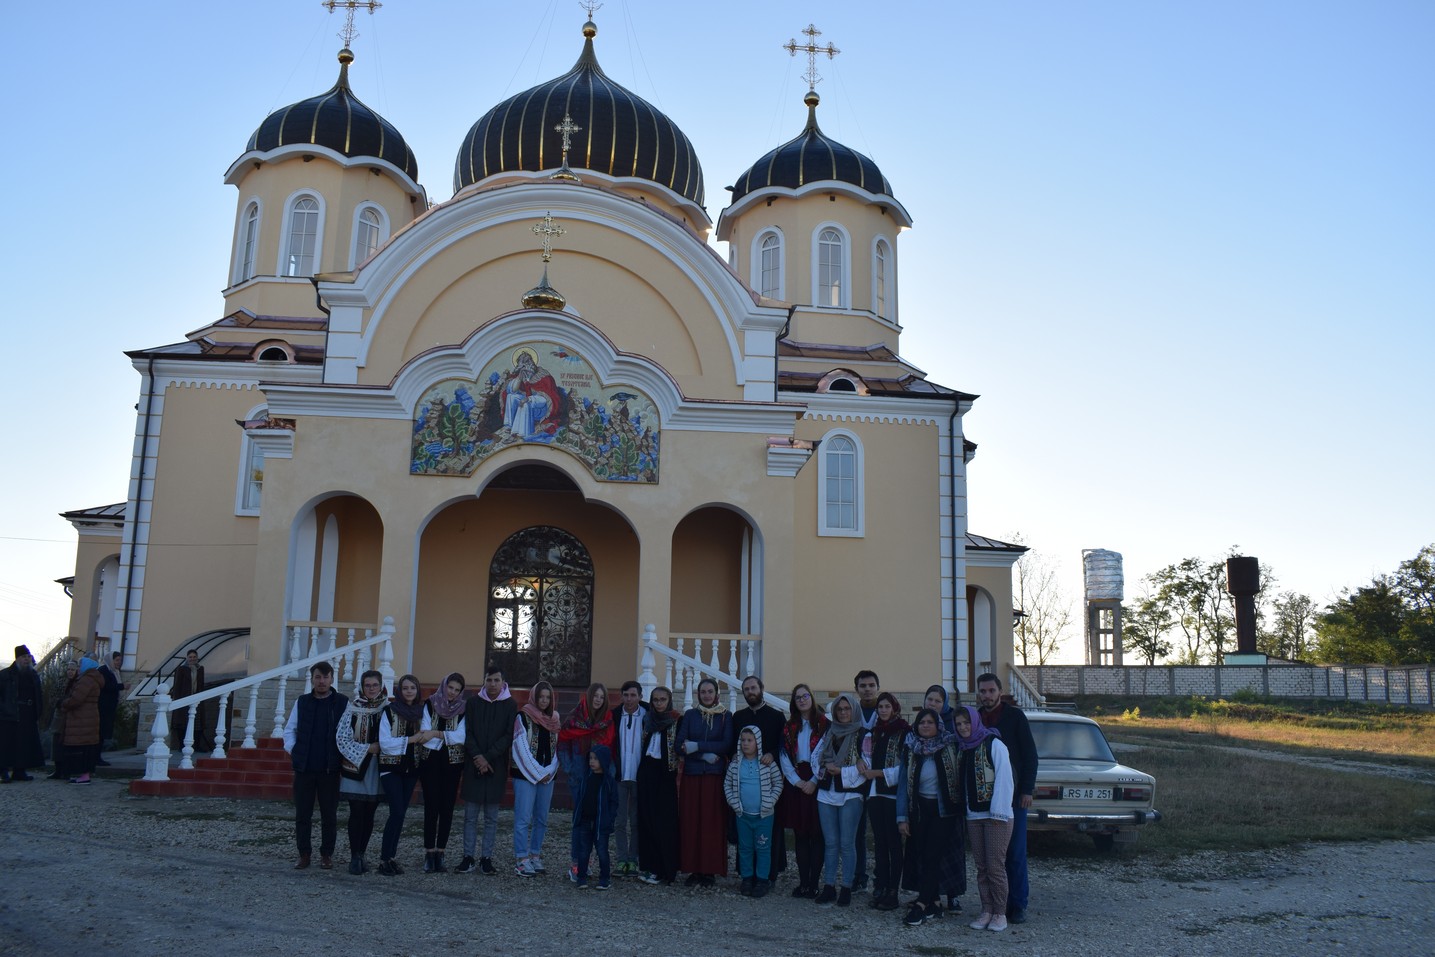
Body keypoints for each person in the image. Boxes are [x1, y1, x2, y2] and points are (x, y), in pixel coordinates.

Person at [976, 672, 1038, 924]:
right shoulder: (975, 719)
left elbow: (1030, 756)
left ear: (999, 692)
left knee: (1014, 853)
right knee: (990, 857)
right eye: (983, 691)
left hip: (1012, 798)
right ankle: (994, 905)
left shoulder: (1014, 717)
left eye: (991, 691)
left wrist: (1027, 790)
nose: (987, 695)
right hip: (983, 798)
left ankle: (1018, 904)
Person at [896, 707, 962, 926]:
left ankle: (922, 904)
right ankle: (934, 902)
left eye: (930, 722)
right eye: (922, 722)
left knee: (933, 855)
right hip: (919, 809)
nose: (925, 725)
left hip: (944, 810)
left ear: (938, 725)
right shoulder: (910, 747)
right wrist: (902, 816)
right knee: (922, 855)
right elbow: (903, 783)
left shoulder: (950, 745)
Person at [283, 660, 348, 869]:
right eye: (318, 677)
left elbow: (347, 732)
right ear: (312, 679)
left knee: (329, 814)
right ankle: (304, 854)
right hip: (305, 768)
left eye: (326, 677)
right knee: (303, 814)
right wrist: (294, 750)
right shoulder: (302, 702)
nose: (322, 681)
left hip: (330, 769)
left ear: (332, 679)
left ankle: (326, 854)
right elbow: (289, 730)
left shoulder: (342, 703)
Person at [955, 704, 1014, 932]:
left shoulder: (994, 744)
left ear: (976, 721)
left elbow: (1004, 779)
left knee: (995, 866)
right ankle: (986, 910)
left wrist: (998, 812)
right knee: (981, 867)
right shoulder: (963, 748)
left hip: (996, 815)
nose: (963, 727)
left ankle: (1000, 913)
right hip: (974, 815)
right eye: (959, 724)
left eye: (966, 722)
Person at [675, 677, 734, 885]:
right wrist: (703, 755)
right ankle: (693, 869)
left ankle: (709, 870)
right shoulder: (690, 715)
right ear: (698, 694)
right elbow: (679, 745)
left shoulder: (726, 716)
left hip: (714, 777)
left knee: (712, 823)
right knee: (691, 822)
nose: (707, 695)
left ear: (716, 694)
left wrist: (697, 746)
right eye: (703, 692)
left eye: (710, 691)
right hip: (692, 776)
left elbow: (726, 744)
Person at [457, 665, 515, 876]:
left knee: (491, 818)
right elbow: (467, 732)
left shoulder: (510, 704)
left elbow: (508, 736)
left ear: (503, 682)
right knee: (470, 817)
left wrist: (487, 757)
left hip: (495, 767)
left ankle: (486, 858)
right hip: (474, 765)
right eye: (489, 680)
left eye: (496, 680)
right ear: (484, 681)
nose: (492, 684)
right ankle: (468, 857)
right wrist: (478, 757)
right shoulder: (473, 703)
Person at [812, 691, 868, 906]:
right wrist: (826, 768)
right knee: (831, 843)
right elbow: (816, 757)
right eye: (839, 709)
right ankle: (828, 886)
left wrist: (842, 771)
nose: (843, 712)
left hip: (851, 793)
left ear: (854, 710)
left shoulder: (864, 735)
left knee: (847, 843)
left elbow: (866, 765)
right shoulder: (829, 732)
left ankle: (846, 886)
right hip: (827, 792)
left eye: (847, 709)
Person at [733, 674, 787, 883]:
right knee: (745, 838)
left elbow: (783, 745)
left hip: (767, 780)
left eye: (753, 688)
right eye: (746, 689)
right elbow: (734, 746)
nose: (750, 692)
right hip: (745, 782)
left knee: (768, 833)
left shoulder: (776, 716)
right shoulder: (738, 717)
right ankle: (746, 875)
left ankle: (768, 875)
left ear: (761, 688)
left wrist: (772, 754)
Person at [376, 674, 431, 876]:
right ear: (399, 691)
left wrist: (420, 738)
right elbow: (385, 743)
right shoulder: (389, 712)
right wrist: (412, 739)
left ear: (417, 691)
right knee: (397, 811)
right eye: (405, 688)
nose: (409, 691)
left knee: (400, 814)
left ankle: (391, 857)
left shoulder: (422, 711)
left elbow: (426, 735)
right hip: (391, 768)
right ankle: (384, 859)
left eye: (412, 688)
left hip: (411, 769)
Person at [557, 682, 613, 881]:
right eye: (595, 696)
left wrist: (607, 775)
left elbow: (608, 750)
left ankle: (588, 863)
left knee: (596, 820)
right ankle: (576, 864)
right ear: (589, 697)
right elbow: (563, 742)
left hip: (598, 779)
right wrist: (571, 769)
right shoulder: (574, 718)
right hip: (579, 777)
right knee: (580, 820)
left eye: (601, 696)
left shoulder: (607, 719)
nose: (598, 700)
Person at [859, 691, 909, 910]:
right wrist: (862, 763)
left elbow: (905, 768)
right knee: (880, 843)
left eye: (887, 706)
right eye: (880, 707)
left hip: (893, 795)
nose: (883, 710)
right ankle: (881, 885)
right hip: (876, 795)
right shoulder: (874, 733)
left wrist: (878, 773)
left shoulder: (905, 733)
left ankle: (893, 891)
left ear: (895, 708)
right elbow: (866, 758)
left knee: (894, 844)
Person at [777, 683, 828, 899]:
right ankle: (803, 882)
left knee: (817, 835)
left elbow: (829, 754)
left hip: (819, 782)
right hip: (797, 783)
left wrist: (815, 781)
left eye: (805, 696)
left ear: (812, 698)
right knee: (800, 834)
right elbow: (784, 756)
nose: (802, 700)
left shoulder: (825, 725)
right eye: (798, 697)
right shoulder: (789, 727)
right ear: (794, 702)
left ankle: (815, 883)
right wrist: (798, 782)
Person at [337, 670, 387, 874]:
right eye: (368, 685)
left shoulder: (388, 709)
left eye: (375, 685)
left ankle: (363, 853)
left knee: (369, 813)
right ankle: (354, 856)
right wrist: (367, 748)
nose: (371, 689)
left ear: (381, 686)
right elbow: (342, 738)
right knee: (356, 811)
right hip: (355, 765)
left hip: (377, 768)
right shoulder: (352, 708)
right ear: (362, 687)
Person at [724, 726, 783, 898]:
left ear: (758, 742)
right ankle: (747, 878)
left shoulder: (767, 763)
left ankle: (762, 879)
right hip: (743, 815)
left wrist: (770, 801)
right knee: (745, 848)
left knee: (763, 848)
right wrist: (734, 803)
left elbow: (778, 783)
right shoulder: (735, 765)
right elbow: (727, 784)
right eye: (743, 740)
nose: (746, 744)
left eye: (750, 740)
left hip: (764, 816)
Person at [922, 683, 966, 910]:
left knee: (952, 850)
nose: (933, 704)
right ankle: (931, 893)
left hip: (950, 801)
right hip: (926, 801)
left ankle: (953, 895)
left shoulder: (952, 729)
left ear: (945, 704)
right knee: (929, 849)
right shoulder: (920, 726)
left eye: (938, 701)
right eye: (930, 699)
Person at [511, 680, 561, 877]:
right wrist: (538, 773)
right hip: (525, 775)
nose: (544, 700)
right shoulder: (522, 717)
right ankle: (521, 859)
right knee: (523, 818)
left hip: (548, 776)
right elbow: (520, 748)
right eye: (541, 696)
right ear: (534, 697)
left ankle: (535, 855)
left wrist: (549, 771)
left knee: (542, 818)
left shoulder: (554, 719)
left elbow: (558, 748)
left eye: (547, 697)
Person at [418, 672, 467, 873]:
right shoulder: (430, 704)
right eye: (450, 687)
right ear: (444, 686)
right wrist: (447, 737)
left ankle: (441, 852)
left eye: (457, 690)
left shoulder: (463, 709)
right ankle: (429, 853)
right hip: (430, 763)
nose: (452, 693)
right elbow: (423, 733)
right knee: (431, 807)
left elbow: (461, 737)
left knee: (447, 808)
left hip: (453, 764)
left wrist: (437, 734)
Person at [635, 685, 681, 885]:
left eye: (663, 699)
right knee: (647, 820)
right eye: (655, 700)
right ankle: (650, 867)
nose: (659, 703)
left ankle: (666, 870)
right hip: (647, 773)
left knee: (665, 824)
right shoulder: (648, 720)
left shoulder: (677, 720)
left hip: (666, 775)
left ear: (668, 701)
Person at [609, 679, 649, 877]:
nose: (629, 699)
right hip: (620, 776)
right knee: (619, 821)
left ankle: (634, 859)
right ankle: (621, 859)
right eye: (626, 695)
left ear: (640, 697)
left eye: (633, 695)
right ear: (621, 696)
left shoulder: (648, 715)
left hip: (639, 777)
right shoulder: (615, 715)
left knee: (636, 820)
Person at [570, 744, 617, 890]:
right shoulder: (586, 778)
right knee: (584, 851)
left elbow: (614, 802)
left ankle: (604, 878)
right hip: (585, 821)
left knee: (602, 851)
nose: (592, 761)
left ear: (603, 760)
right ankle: (581, 877)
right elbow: (580, 798)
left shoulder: (609, 781)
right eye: (590, 758)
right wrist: (577, 816)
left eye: (595, 759)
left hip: (601, 823)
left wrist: (609, 819)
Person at [850, 669, 881, 891]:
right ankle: (858, 875)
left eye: (871, 685)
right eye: (863, 686)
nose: (867, 689)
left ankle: (882, 878)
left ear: (877, 687)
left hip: (881, 779)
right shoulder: (851, 712)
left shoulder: (886, 709)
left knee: (881, 832)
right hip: (857, 779)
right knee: (857, 830)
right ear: (857, 689)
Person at [1, 645, 45, 783]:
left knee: (24, 744)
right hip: (10, 715)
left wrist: (38, 711)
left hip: (28, 714)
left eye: (28, 657)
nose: (27, 660)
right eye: (24, 657)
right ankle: (4, 772)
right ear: (18, 658)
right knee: (7, 745)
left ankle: (20, 771)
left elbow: (38, 694)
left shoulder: (33, 674)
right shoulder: (5, 675)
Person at [60, 657, 105, 783]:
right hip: (88, 719)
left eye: (79, 666)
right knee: (86, 747)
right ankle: (84, 775)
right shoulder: (93, 679)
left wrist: (64, 703)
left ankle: (83, 775)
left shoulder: (86, 680)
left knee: (81, 749)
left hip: (81, 719)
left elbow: (77, 699)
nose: (78, 669)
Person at [48, 660, 80, 778]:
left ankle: (67, 770)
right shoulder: (60, 682)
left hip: (72, 717)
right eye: (68, 669)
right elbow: (51, 697)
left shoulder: (78, 684)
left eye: (72, 669)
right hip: (59, 716)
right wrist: (59, 703)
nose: (70, 672)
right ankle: (57, 769)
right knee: (57, 743)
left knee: (69, 745)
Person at [169, 649, 205, 750]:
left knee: (197, 724)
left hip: (197, 699)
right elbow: (177, 685)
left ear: (197, 658)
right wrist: (177, 699)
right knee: (183, 723)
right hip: (184, 698)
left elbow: (201, 684)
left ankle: (196, 746)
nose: (192, 659)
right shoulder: (181, 669)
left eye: (194, 657)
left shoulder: (200, 669)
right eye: (190, 657)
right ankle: (181, 745)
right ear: (187, 658)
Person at [96, 651, 125, 757]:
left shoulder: (114, 671)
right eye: (117, 660)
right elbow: (106, 686)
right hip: (103, 706)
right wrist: (122, 686)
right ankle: (96, 756)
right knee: (100, 732)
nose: (119, 662)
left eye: (120, 660)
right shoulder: (104, 670)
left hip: (109, 707)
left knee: (103, 733)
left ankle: (98, 755)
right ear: (111, 660)